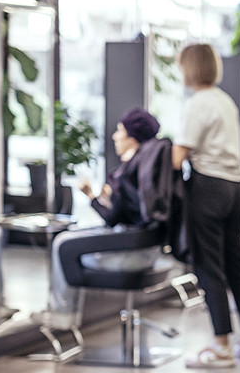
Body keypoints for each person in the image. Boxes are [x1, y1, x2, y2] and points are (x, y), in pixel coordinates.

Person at [34, 106, 172, 329]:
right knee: (71, 240)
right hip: (149, 253)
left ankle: (62, 314)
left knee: (63, 244)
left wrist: (91, 196)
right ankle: (65, 313)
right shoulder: (148, 171)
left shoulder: (128, 174)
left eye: (120, 131)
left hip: (131, 256)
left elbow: (112, 219)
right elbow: (130, 213)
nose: (115, 136)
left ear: (133, 137)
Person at [171, 43, 240, 368]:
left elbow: (179, 156)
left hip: (207, 187)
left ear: (190, 68)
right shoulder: (225, 101)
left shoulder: (198, 103)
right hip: (233, 188)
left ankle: (221, 345)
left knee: (209, 265)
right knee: (236, 263)